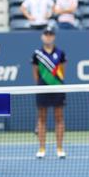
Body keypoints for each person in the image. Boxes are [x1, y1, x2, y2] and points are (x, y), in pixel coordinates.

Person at [31, 26, 66, 158]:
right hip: (42, 89)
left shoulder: (60, 53)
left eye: (51, 34)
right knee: (41, 118)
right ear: (42, 36)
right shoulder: (37, 54)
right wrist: (41, 84)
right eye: (46, 34)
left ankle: (60, 148)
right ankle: (41, 148)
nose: (48, 36)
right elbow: (35, 72)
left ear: (54, 36)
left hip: (58, 89)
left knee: (59, 118)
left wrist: (56, 82)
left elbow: (63, 71)